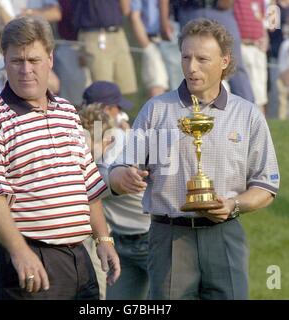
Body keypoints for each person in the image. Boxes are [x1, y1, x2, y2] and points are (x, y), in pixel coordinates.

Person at [109, 19, 280, 300]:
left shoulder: (248, 114)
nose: (191, 67)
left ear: (224, 61)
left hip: (225, 234)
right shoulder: (156, 110)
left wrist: (234, 205)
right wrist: (123, 177)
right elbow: (118, 170)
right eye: (186, 57)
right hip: (170, 238)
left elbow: (266, 186)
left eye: (202, 59)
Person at [0, 16, 120, 300]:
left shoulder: (68, 112)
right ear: (4, 61)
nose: (26, 70)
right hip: (27, 262)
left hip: (79, 260)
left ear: (50, 57)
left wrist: (103, 238)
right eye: (16, 61)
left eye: (33, 60)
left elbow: (87, 183)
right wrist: (20, 252)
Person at [79, 82, 151, 300]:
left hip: (153, 240)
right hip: (121, 242)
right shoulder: (99, 143)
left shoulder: (117, 144)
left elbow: (96, 186)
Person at [160, 0, 255, 102]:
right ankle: (186, 115)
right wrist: (163, 20)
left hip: (221, 11)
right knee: (190, 65)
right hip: (189, 10)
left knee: (234, 66)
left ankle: (248, 113)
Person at [72, 0, 138, 95]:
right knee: (103, 91)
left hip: (117, 33)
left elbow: (125, 9)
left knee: (125, 89)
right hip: (93, 34)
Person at [130, 0, 183, 97]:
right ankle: (158, 112)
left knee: (179, 85)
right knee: (157, 87)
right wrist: (147, 47)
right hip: (153, 41)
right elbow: (135, 16)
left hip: (175, 37)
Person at [234, 0, 269, 114]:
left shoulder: (261, 1)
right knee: (242, 89)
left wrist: (266, 40)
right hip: (240, 47)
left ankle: (260, 126)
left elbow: (263, 21)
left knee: (260, 91)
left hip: (258, 48)